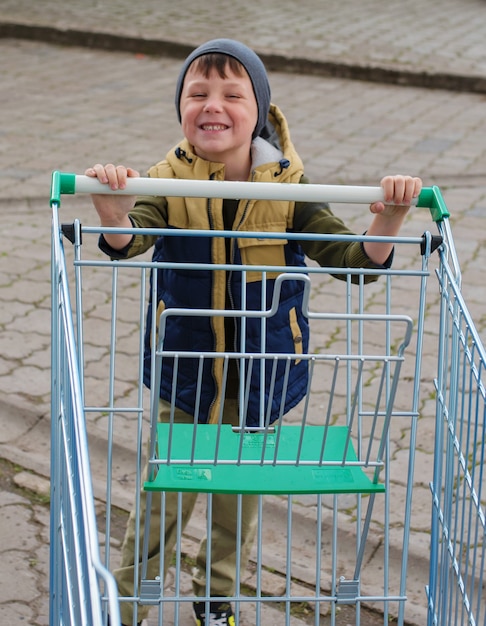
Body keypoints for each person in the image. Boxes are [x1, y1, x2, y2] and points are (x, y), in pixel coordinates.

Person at [86, 38, 422, 626]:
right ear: (182, 109)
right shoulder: (171, 181)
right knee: (164, 495)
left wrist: (388, 216)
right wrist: (114, 211)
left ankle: (215, 597)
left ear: (259, 111)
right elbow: (129, 239)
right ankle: (133, 594)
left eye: (231, 94)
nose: (212, 104)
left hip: (260, 381)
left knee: (234, 502)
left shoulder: (289, 187)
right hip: (184, 378)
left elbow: (352, 259)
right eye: (198, 93)